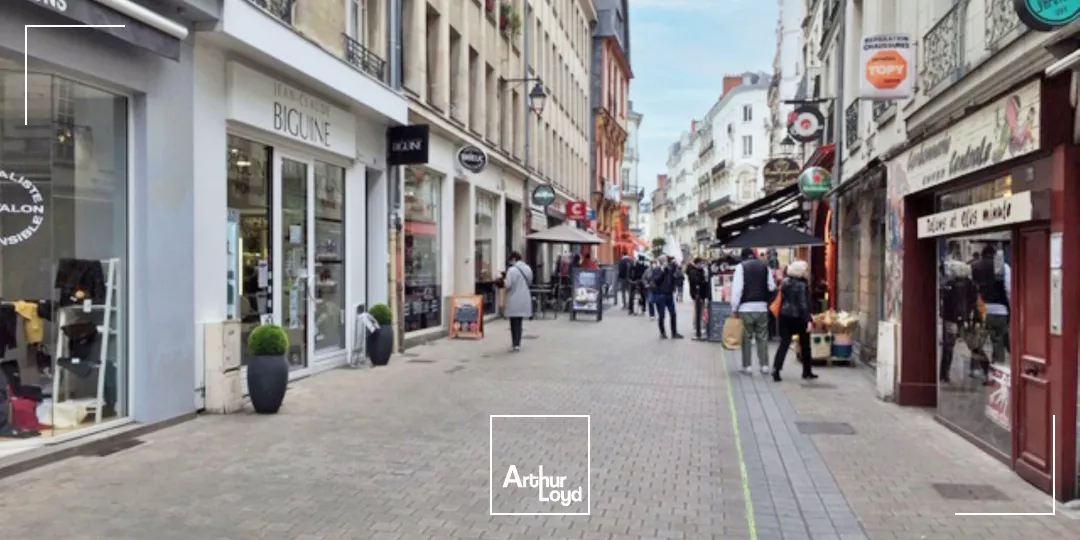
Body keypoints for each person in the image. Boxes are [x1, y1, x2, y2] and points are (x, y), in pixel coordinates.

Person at [731, 247, 777, 375]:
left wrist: (734, 308)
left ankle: (747, 366)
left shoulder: (741, 267)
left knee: (746, 338)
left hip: (745, 308)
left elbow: (737, 290)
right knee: (762, 337)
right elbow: (772, 286)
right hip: (762, 307)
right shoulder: (765, 266)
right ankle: (764, 365)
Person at [771, 260, 818, 381]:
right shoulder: (802, 285)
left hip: (785, 315)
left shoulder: (785, 282)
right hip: (798, 318)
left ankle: (776, 369)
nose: (807, 272)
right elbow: (803, 304)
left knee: (784, 343)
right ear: (800, 272)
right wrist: (808, 319)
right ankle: (807, 371)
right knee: (805, 344)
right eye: (805, 270)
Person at [971, 244, 1010, 367]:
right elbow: (1009, 289)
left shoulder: (974, 266)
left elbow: (973, 288)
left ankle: (978, 369)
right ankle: (998, 370)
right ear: (994, 255)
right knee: (998, 342)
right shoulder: (1004, 267)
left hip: (982, 307)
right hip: (1000, 309)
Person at [502, 251, 534, 352]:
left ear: (514, 259)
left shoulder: (511, 270)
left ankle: (515, 343)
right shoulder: (528, 268)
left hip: (514, 298)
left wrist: (503, 280)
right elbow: (530, 282)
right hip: (524, 297)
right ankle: (518, 343)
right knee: (519, 321)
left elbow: (508, 285)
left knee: (513, 321)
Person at [652, 256, 683, 339]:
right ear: (661, 261)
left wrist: (674, 268)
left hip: (669, 295)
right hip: (660, 295)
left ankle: (674, 332)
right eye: (665, 260)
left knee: (673, 314)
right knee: (662, 315)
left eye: (667, 260)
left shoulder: (669, 269)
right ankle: (662, 333)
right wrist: (662, 272)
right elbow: (656, 281)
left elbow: (674, 278)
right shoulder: (656, 270)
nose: (666, 262)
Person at [686, 257, 711, 340]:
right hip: (697, 294)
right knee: (698, 311)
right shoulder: (693, 271)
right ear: (697, 263)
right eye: (701, 263)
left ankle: (698, 328)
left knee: (700, 311)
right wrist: (704, 281)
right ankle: (696, 328)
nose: (702, 265)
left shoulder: (699, 271)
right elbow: (696, 281)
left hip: (701, 294)